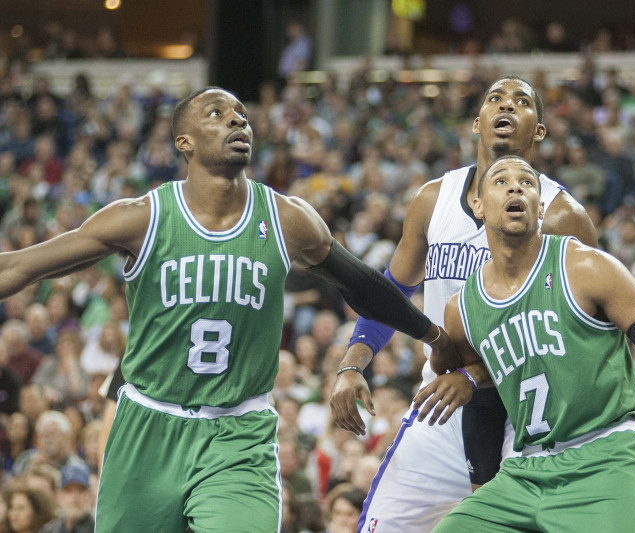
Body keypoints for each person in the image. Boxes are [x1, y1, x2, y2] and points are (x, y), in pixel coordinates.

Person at [0, 86, 453, 532]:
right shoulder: (142, 216)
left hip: (239, 433)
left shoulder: (287, 218)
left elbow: (363, 286)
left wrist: (435, 337)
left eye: (241, 113)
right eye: (216, 113)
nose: (238, 120)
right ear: (185, 142)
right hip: (147, 427)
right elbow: (21, 267)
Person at [330, 75, 597, 532]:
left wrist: (475, 376)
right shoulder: (433, 199)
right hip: (442, 407)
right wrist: (354, 361)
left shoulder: (561, 214)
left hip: (527, 414)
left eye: (521, 101)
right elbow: (394, 291)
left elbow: (571, 337)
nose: (506, 106)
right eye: (495, 99)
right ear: (477, 123)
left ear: (539, 131)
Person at [414, 156, 635, 531]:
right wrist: (469, 379)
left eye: (528, 183)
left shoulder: (585, 267)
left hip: (609, 456)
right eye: (500, 181)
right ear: (477, 205)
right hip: (526, 471)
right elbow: (488, 397)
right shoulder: (461, 309)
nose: (516, 187)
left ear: (542, 206)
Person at [40, 464, 94, 533]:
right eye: (68, 490)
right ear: (58, 496)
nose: (75, 496)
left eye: (81, 490)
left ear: (90, 495)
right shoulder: (48, 530)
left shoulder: (99, 529)